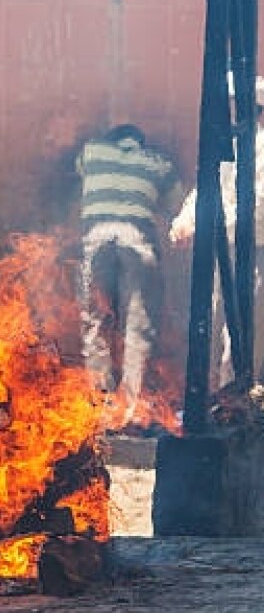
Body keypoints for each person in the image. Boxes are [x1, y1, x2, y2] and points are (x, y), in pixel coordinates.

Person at [76, 123, 183, 425]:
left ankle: (101, 401)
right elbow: (176, 203)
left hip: (96, 237)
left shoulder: (92, 150)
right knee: (138, 324)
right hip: (138, 240)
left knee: (95, 320)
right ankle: (133, 406)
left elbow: (81, 173)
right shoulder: (159, 162)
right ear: (140, 143)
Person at [170, 76, 264, 390]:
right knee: (210, 323)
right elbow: (206, 188)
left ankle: (234, 397)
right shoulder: (229, 146)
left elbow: (257, 208)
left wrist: (207, 226)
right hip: (223, 249)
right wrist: (185, 220)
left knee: (241, 334)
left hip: (254, 253)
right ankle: (210, 396)